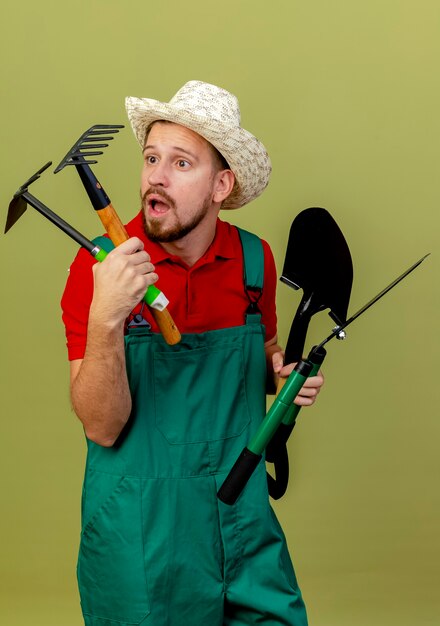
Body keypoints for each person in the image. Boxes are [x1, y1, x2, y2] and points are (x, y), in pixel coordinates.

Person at [61, 80, 324, 626]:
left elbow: (265, 356)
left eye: (181, 163)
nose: (156, 176)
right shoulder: (100, 271)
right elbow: (102, 427)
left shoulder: (254, 261)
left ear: (220, 185)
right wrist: (108, 315)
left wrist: (284, 376)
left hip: (242, 519)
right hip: (141, 537)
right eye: (151, 157)